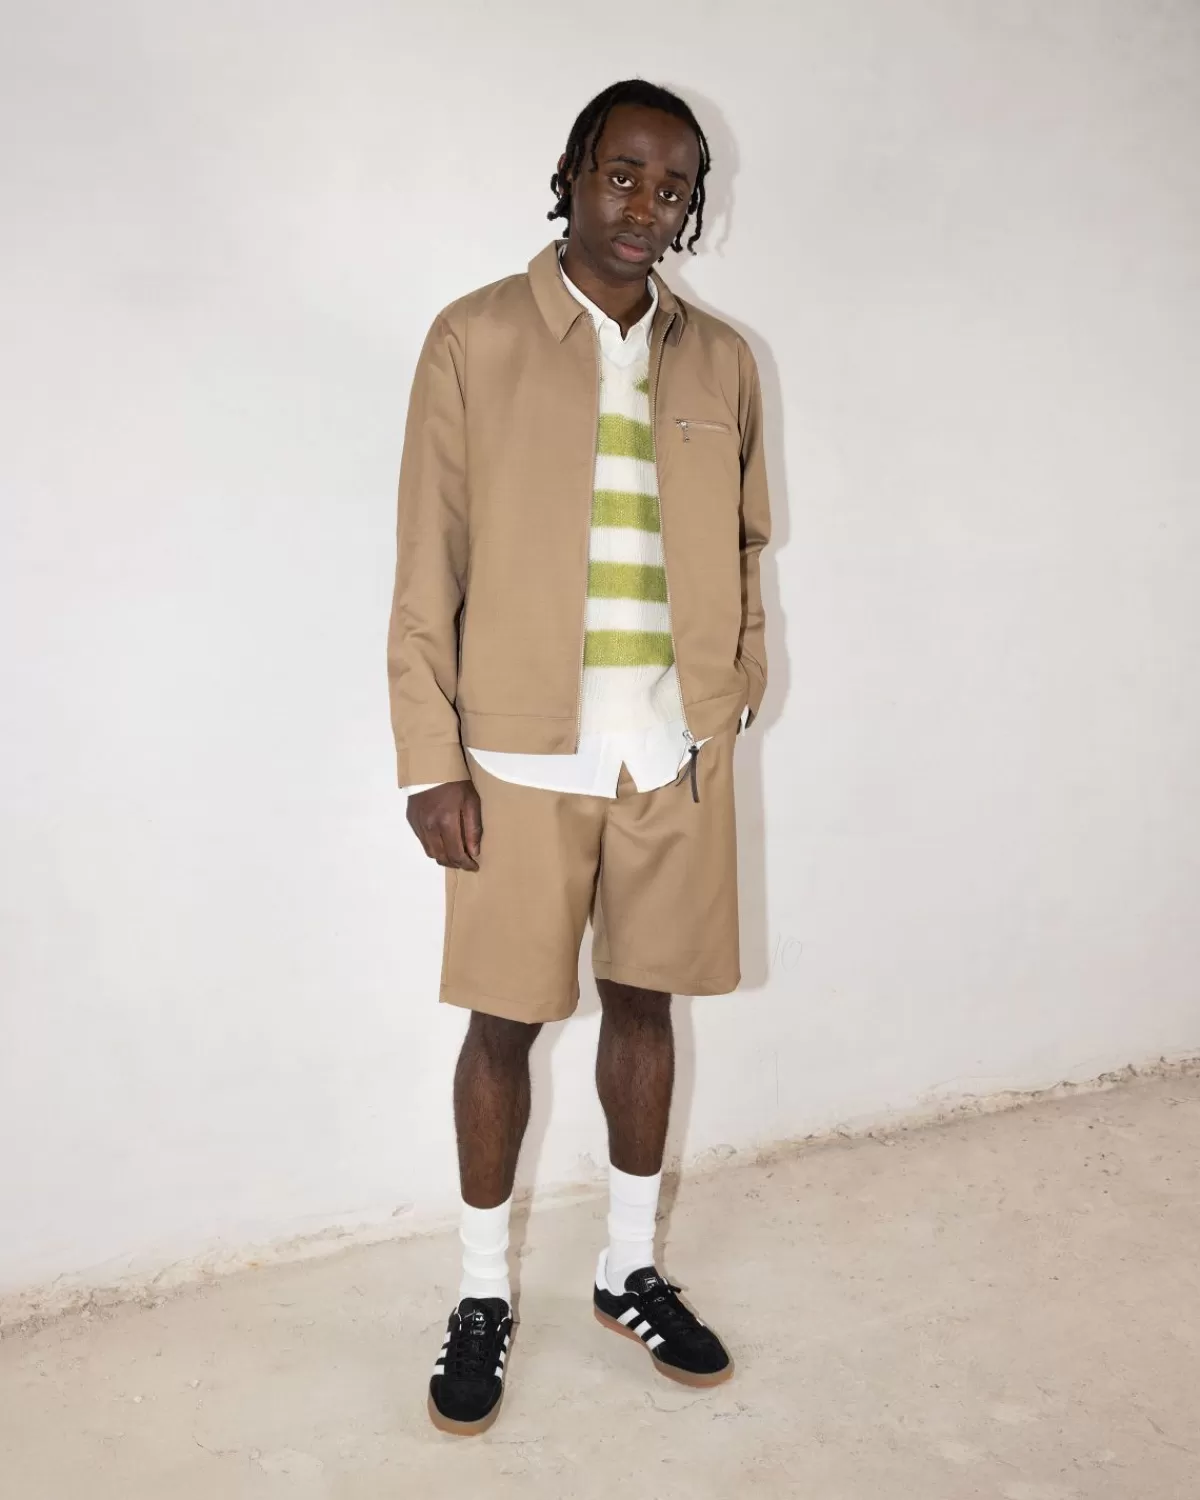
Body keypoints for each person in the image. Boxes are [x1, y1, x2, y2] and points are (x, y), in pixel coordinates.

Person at [387, 77, 771, 1437]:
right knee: (503, 1024)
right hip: (515, 759)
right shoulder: (475, 337)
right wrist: (430, 758)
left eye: (673, 187)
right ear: (574, 171)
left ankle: (626, 1268)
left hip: (669, 754)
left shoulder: (720, 360)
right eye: (623, 174)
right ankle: (482, 1290)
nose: (645, 206)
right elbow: (426, 561)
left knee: (646, 1010)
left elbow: (745, 543)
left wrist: (733, 696)